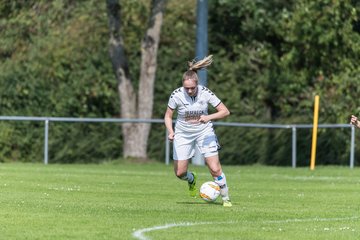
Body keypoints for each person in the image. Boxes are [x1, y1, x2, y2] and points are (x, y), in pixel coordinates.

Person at [164, 55, 232, 207]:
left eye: (192, 88)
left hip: (204, 132)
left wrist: (209, 117)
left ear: (197, 84)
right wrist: (170, 131)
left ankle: (226, 199)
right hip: (183, 133)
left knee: (214, 168)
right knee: (180, 173)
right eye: (186, 88)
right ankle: (191, 179)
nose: (189, 91)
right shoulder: (176, 95)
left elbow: (225, 111)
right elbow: (168, 116)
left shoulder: (205, 92)